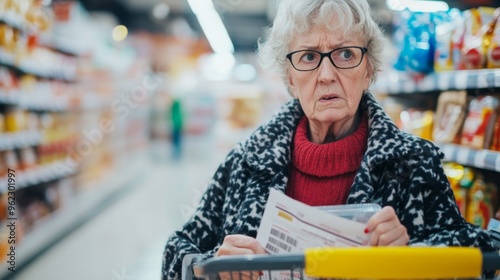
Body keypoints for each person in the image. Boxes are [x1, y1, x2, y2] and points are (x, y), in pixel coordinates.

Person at [162, 0, 497, 278]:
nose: (326, 75)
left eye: (345, 55)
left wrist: (414, 253)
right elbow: (174, 256)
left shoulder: (412, 162)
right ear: (289, 77)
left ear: (369, 69)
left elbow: (477, 258)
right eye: (308, 57)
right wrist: (210, 266)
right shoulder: (246, 161)